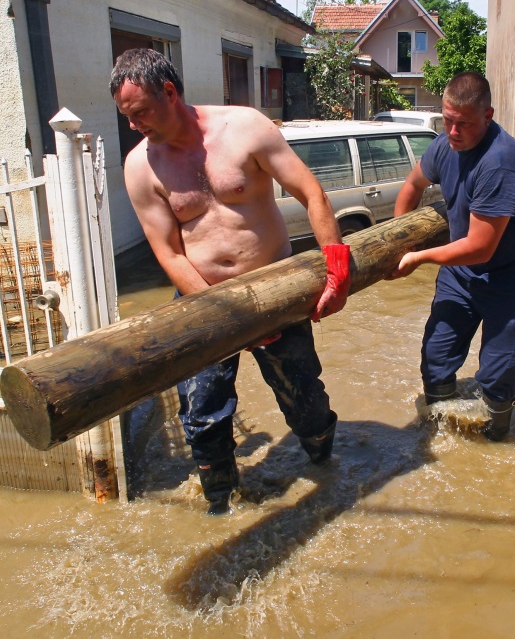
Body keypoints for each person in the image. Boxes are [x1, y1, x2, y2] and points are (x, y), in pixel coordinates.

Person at [110, 48, 351, 515]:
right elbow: (168, 251)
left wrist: (336, 266)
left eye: (140, 112)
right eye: (127, 117)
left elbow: (311, 192)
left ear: (169, 92)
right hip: (203, 301)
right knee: (202, 415)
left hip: (276, 288)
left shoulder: (245, 128)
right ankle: (221, 505)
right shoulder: (141, 166)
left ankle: (325, 467)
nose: (134, 125)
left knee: (304, 399)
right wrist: (227, 318)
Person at [387, 72, 515, 442]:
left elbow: (481, 246)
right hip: (462, 271)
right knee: (436, 356)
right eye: (447, 120)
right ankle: (439, 436)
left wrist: (419, 258)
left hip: (513, 274)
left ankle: (494, 440)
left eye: (464, 124)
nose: (454, 131)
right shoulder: (445, 144)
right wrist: (399, 240)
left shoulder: (500, 163)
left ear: (488, 115)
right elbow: (412, 186)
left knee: (498, 371)